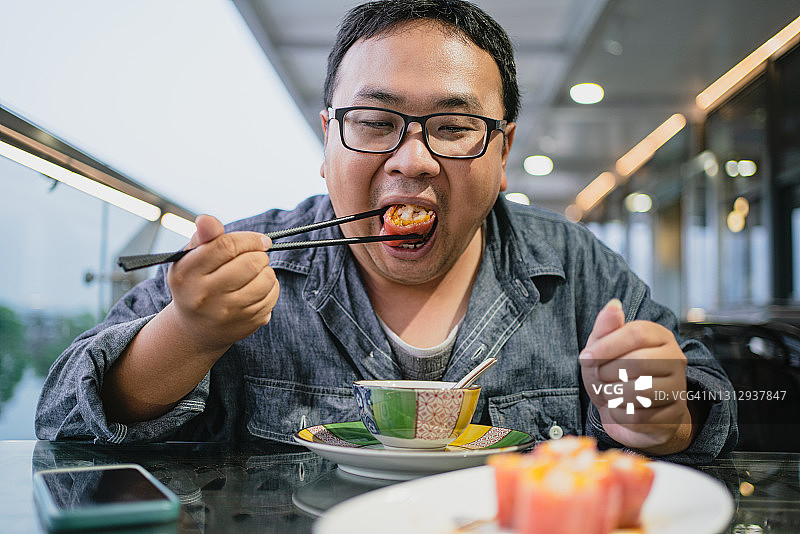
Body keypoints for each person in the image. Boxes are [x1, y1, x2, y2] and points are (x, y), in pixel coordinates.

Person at [36, 0, 737, 463]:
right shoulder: (242, 262)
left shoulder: (574, 266)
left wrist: (660, 417)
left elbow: (709, 399)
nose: (413, 160)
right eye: (375, 123)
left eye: (455, 127)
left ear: (502, 155)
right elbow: (64, 418)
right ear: (327, 140)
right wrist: (189, 334)